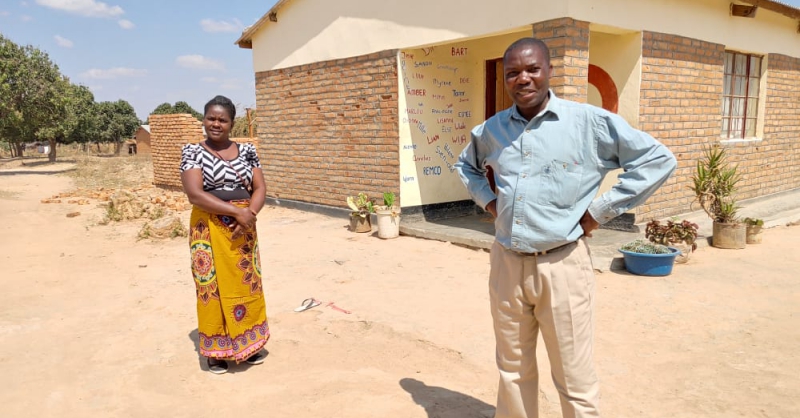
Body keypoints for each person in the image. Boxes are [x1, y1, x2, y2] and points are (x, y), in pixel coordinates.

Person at [455, 38, 677, 417]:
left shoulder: (588, 123)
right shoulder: (492, 131)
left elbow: (658, 160)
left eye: (532, 69)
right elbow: (465, 166)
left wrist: (599, 212)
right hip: (507, 264)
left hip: (563, 266)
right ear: (506, 79)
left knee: (574, 378)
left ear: (549, 71)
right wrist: (490, 202)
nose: (522, 79)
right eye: (512, 73)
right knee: (512, 370)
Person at [180, 95, 270, 374]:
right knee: (213, 288)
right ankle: (216, 351)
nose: (215, 124)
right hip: (208, 229)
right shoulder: (192, 152)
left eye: (222, 120)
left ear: (232, 123)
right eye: (211, 118)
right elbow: (194, 193)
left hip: (243, 230)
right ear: (204, 119)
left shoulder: (247, 152)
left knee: (246, 284)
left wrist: (248, 215)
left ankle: (249, 343)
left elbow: (260, 188)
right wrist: (235, 212)